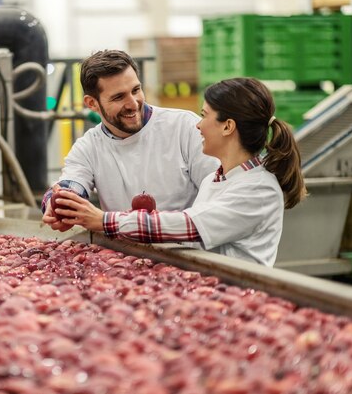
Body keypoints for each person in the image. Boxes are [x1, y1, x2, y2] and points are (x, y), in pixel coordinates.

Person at [52, 77, 307, 267]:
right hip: (210, 291)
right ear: (92, 103)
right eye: (118, 97)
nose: (198, 124)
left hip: (239, 297)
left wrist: (104, 221)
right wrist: (62, 202)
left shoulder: (258, 189)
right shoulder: (215, 179)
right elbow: (193, 233)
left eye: (204, 115)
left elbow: (191, 226)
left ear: (228, 126)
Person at [42, 49, 219, 232]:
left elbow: (217, 194)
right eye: (118, 97)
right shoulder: (88, 147)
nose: (133, 104)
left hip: (193, 252)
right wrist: (59, 205)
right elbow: (71, 183)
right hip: (127, 257)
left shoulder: (185, 127)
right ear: (92, 103)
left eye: (136, 90)